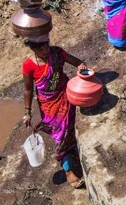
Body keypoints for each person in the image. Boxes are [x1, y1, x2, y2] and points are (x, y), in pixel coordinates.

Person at [21, 35, 87, 189]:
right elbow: (28, 89)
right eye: (40, 49)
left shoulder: (57, 53)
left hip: (65, 95)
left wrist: (82, 66)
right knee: (60, 135)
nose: (44, 51)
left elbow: (78, 62)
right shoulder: (28, 65)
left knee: (70, 126)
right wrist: (28, 112)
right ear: (33, 49)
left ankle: (73, 152)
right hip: (48, 105)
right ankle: (68, 170)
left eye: (46, 47)